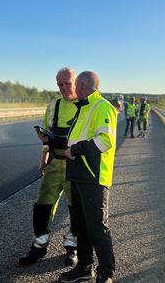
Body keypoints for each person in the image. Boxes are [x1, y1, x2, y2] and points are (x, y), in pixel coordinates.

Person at [60, 71, 117, 283]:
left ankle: (106, 274)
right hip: (79, 174)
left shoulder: (101, 106)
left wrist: (75, 151)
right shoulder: (83, 107)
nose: (75, 89)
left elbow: (105, 140)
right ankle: (84, 267)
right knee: (81, 226)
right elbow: (76, 139)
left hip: (94, 177)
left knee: (97, 227)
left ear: (84, 86)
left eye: (78, 85)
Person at [19, 67, 79, 266]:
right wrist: (43, 157)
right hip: (54, 163)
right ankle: (40, 244)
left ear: (76, 82)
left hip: (76, 166)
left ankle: (72, 246)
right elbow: (47, 135)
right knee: (43, 204)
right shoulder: (54, 105)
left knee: (76, 208)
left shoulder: (86, 106)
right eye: (59, 84)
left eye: (67, 83)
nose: (63, 88)